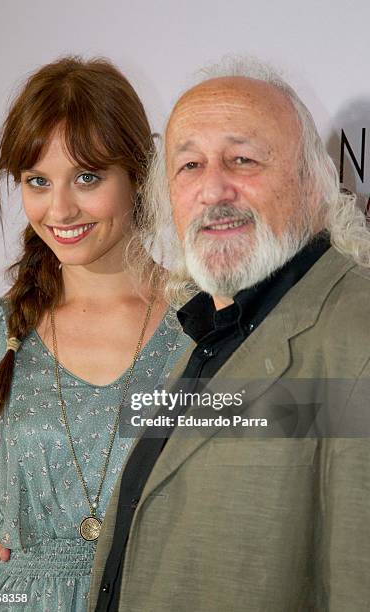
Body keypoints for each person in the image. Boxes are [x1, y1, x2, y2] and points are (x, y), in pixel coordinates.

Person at [86, 58, 370, 611]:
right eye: (189, 165)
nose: (214, 188)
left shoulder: (357, 339)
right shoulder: (208, 327)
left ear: (315, 183)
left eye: (243, 160)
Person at [0, 57, 190, 612]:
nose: (59, 208)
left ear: (137, 172)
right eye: (38, 181)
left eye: (87, 177)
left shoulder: (202, 326)